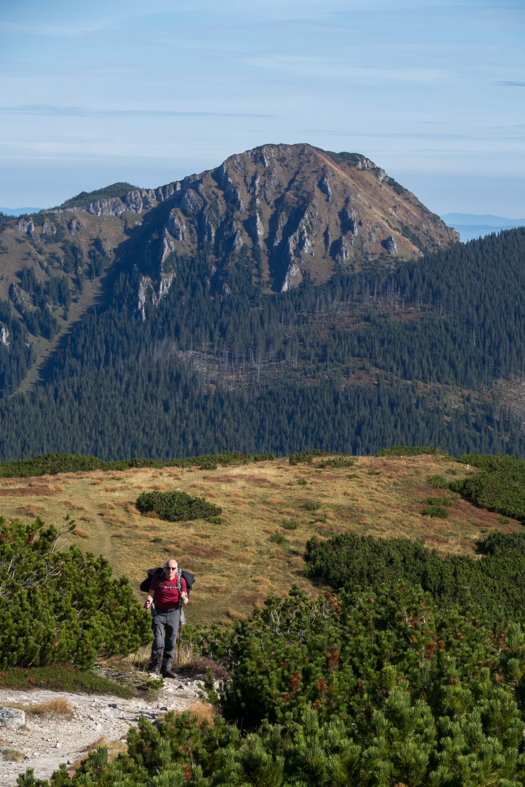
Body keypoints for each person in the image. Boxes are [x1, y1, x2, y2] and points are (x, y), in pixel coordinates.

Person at [145, 559, 188, 678]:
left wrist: (184, 598)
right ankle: (155, 665)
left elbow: (186, 601)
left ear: (177, 570)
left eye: (173, 568)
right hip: (158, 612)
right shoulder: (157, 578)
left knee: (171, 640)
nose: (170, 570)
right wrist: (148, 601)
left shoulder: (181, 581)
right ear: (164, 568)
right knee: (158, 640)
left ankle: (166, 668)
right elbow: (151, 593)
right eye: (168, 568)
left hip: (174, 613)